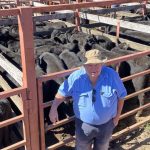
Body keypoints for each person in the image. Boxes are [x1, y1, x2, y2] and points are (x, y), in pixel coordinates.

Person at [49, 49, 127, 150]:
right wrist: (53, 108)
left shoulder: (112, 76)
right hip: (83, 125)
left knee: (102, 147)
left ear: (102, 64)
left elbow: (121, 96)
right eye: (90, 65)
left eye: (97, 64)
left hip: (106, 125)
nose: (93, 68)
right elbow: (61, 93)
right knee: (82, 147)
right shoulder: (76, 77)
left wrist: (116, 118)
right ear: (84, 66)